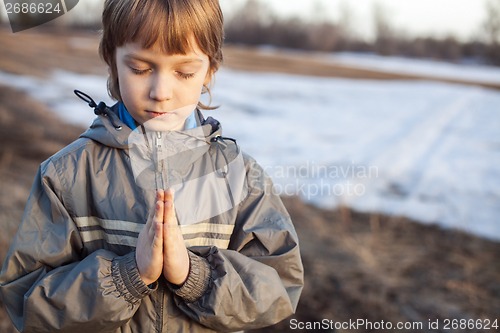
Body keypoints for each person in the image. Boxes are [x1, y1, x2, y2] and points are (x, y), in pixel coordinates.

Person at [0, 0, 304, 332]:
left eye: (184, 72)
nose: (161, 92)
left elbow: (279, 288)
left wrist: (194, 276)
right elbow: (27, 301)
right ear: (112, 62)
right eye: (141, 69)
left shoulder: (242, 177)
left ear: (209, 71)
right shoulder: (66, 175)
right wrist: (128, 276)